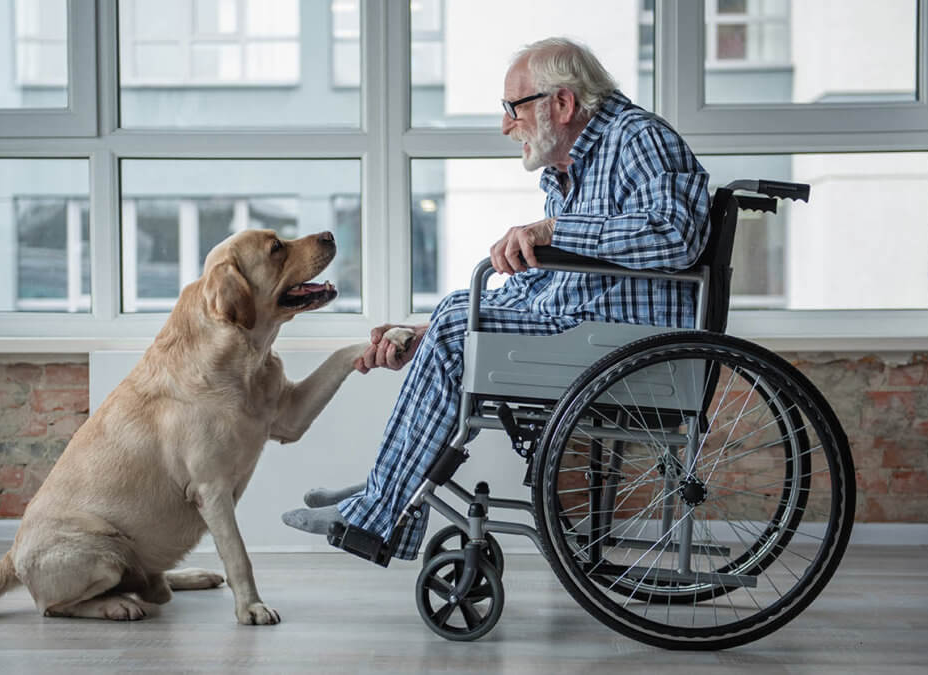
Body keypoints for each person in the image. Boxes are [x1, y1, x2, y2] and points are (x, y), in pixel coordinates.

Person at [281, 37, 711, 560]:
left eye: (513, 108)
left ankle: (381, 505)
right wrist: (428, 331)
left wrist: (557, 230)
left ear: (562, 103)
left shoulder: (638, 139)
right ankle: (384, 493)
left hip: (633, 349)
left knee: (460, 317)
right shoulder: (571, 169)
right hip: (590, 334)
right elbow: (547, 282)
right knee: (460, 308)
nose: (506, 125)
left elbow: (676, 236)